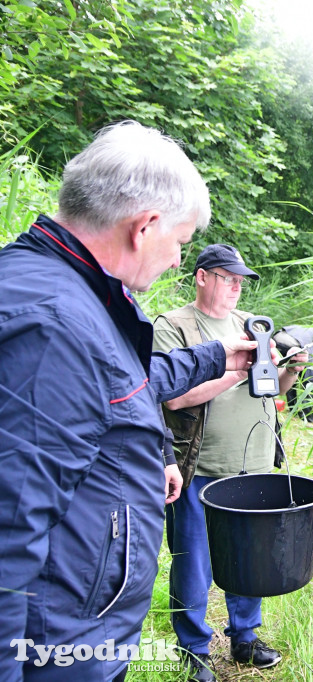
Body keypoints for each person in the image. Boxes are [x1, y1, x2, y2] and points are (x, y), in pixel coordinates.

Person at [0, 121, 258, 681]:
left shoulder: (71, 290)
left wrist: (221, 358)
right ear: (145, 226)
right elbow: (7, 532)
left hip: (80, 622)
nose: (174, 260)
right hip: (58, 640)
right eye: (180, 243)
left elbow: (121, 386)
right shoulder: (51, 325)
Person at [153, 243, 307, 682]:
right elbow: (174, 394)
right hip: (199, 468)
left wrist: (292, 368)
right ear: (202, 276)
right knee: (194, 563)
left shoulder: (250, 325)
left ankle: (245, 638)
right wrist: (234, 371)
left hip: (253, 466)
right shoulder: (175, 326)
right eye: (228, 277)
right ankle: (194, 650)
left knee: (251, 558)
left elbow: (271, 389)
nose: (238, 286)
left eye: (242, 279)